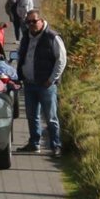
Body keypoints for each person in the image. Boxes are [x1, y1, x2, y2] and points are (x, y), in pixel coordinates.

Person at [16, 9, 67, 155]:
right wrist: (21, 75)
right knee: (32, 116)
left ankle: (56, 145)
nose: (31, 24)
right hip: (29, 83)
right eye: (28, 22)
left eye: (34, 21)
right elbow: (21, 55)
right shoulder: (26, 36)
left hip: (46, 85)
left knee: (51, 117)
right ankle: (34, 143)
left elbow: (61, 60)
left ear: (41, 20)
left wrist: (51, 80)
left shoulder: (52, 37)